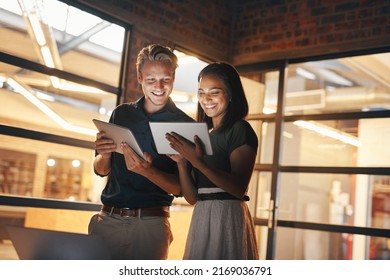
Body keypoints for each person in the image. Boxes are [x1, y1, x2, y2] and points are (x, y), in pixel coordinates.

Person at [89, 43, 193, 260]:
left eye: (166, 79)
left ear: (173, 76)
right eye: (151, 79)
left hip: (151, 226)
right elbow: (100, 170)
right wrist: (105, 155)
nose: (159, 86)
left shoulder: (184, 124)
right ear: (139, 77)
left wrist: (148, 171)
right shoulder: (121, 114)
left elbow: (180, 188)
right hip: (108, 219)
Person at [166, 62, 259, 260]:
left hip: (227, 217)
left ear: (231, 94)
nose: (206, 99)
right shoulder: (201, 135)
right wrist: (182, 162)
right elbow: (192, 198)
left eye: (214, 92)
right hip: (202, 216)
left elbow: (238, 188)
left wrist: (197, 161)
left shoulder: (240, 129)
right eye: (201, 93)